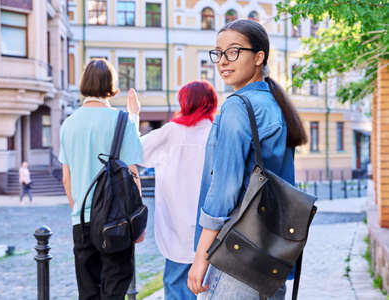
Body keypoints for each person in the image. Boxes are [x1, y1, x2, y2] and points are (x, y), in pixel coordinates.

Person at [187, 19, 308, 299]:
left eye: (234, 51)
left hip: (235, 254)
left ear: (259, 57)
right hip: (272, 254)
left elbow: (224, 192)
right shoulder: (274, 104)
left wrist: (201, 257)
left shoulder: (237, 107)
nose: (223, 61)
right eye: (218, 52)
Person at [59, 58, 145, 300]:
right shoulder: (122, 122)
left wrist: (79, 212)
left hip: (82, 221)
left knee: (87, 293)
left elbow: (67, 178)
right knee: (115, 290)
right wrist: (137, 222)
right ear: (111, 84)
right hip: (115, 221)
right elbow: (132, 174)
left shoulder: (68, 124)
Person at [127, 80, 218, 300]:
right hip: (211, 229)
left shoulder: (172, 133)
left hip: (176, 227)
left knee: (177, 288)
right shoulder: (217, 134)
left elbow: (132, 149)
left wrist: (133, 116)